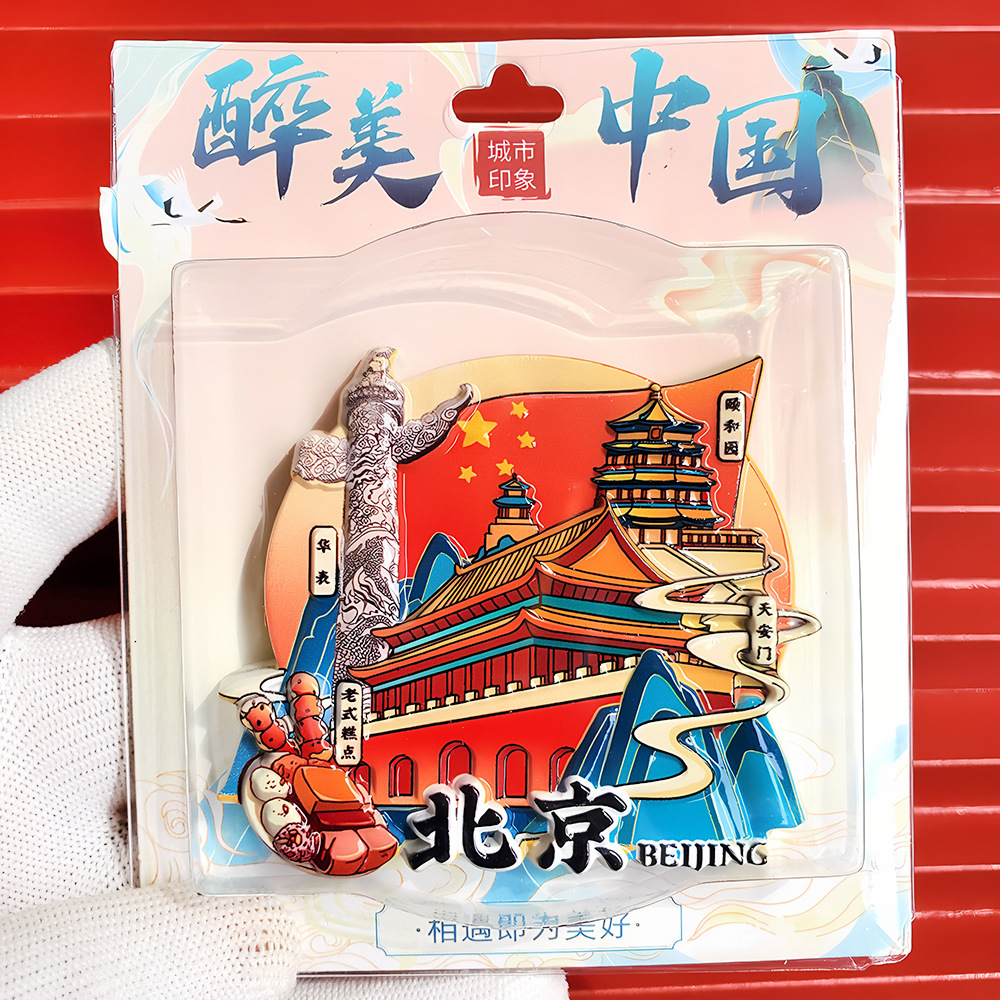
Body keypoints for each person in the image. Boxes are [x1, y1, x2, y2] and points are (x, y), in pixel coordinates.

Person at [0, 340, 568, 1000]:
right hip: (328, 712)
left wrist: (447, 412)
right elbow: (315, 458)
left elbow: (369, 445)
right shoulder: (364, 459)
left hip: (349, 709)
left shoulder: (380, 453)